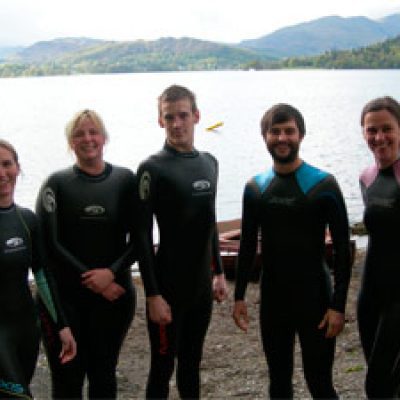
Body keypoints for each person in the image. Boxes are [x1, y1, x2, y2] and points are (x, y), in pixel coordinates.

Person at [232, 103, 351, 399]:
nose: (282, 138)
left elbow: (343, 251)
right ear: (264, 136)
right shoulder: (255, 188)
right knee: (279, 382)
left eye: (289, 131)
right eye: (275, 131)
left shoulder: (324, 184)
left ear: (301, 135)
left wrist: (338, 305)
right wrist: (239, 297)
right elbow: (247, 245)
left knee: (320, 382)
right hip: (274, 300)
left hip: (316, 298)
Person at [35, 110, 137, 399]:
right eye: (79, 134)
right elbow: (50, 245)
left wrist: (111, 273)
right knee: (67, 377)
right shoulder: (56, 184)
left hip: (114, 296)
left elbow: (139, 239)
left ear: (104, 138)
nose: (87, 139)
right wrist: (95, 280)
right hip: (65, 299)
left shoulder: (125, 180)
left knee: (104, 374)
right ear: (70, 142)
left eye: (93, 132)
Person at [136, 84, 227, 399]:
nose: (177, 124)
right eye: (169, 117)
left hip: (201, 286)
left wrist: (218, 272)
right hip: (168, 286)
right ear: (160, 120)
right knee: (162, 367)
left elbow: (209, 221)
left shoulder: (210, 162)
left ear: (197, 116)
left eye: (183, 116)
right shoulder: (152, 168)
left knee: (191, 364)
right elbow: (142, 236)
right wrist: (153, 294)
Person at [0, 139, 76, 399]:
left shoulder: (27, 220)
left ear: (17, 168)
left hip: (26, 329)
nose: (1, 173)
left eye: (7, 164)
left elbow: (43, 277)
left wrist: (61, 326)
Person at [358, 96, 400, 398]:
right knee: (378, 374)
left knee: (378, 383)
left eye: (387, 129)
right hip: (370, 292)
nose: (379, 137)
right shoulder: (366, 177)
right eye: (371, 130)